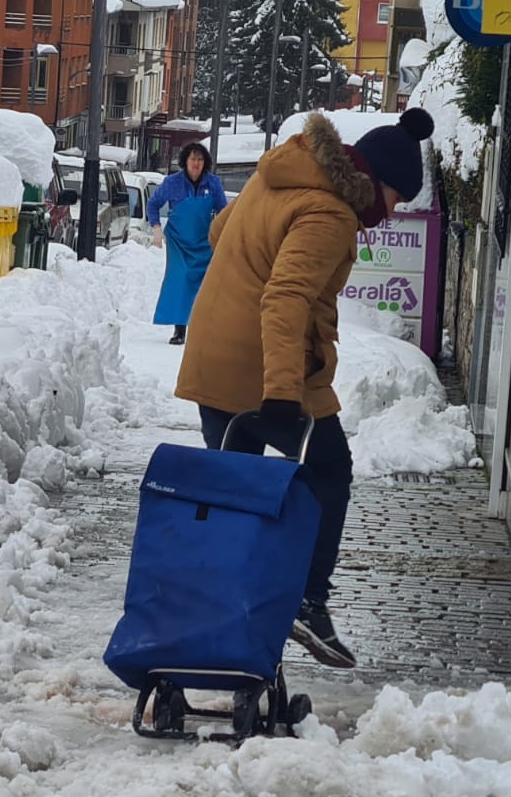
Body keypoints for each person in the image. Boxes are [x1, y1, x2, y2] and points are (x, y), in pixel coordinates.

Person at [174, 108, 435, 668]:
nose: (393, 214)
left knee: (234, 494)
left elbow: (223, 231)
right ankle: (305, 603)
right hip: (263, 365)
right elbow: (286, 298)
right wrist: (282, 395)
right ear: (378, 183)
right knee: (329, 471)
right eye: (397, 199)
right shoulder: (330, 213)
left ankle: (225, 636)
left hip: (216, 354)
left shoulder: (285, 172)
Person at [148, 142, 229, 345]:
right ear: (185, 161)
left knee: (205, 283)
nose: (196, 163)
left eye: (200, 160)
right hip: (178, 242)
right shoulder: (172, 183)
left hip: (204, 241)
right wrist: (156, 227)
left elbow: (224, 211)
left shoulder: (213, 184)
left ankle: (205, 327)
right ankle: (179, 329)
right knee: (180, 279)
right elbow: (153, 204)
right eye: (192, 159)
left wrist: (224, 234)